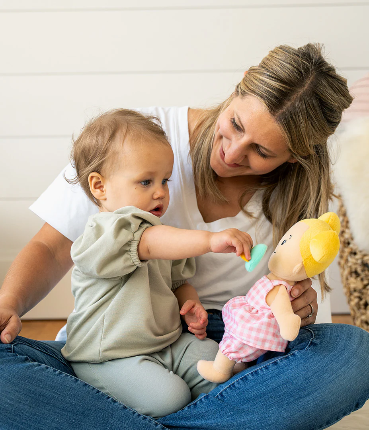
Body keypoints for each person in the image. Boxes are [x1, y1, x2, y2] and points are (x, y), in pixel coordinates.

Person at [1, 43, 369, 430]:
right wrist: (8, 302)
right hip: (110, 345)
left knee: (354, 352)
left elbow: (290, 304)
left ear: (295, 156)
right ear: (240, 84)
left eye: (260, 150)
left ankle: (108, 418)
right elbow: (54, 246)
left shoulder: (297, 197)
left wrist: (301, 308)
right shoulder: (138, 143)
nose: (232, 152)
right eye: (237, 125)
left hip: (213, 339)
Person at [61, 108, 253, 417]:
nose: (160, 192)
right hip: (109, 355)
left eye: (165, 181)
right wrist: (209, 240)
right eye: (145, 182)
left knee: (217, 361)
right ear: (100, 186)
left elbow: (178, 281)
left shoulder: (157, 232)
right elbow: (149, 245)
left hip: (166, 344)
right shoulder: (107, 231)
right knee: (169, 398)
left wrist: (191, 305)